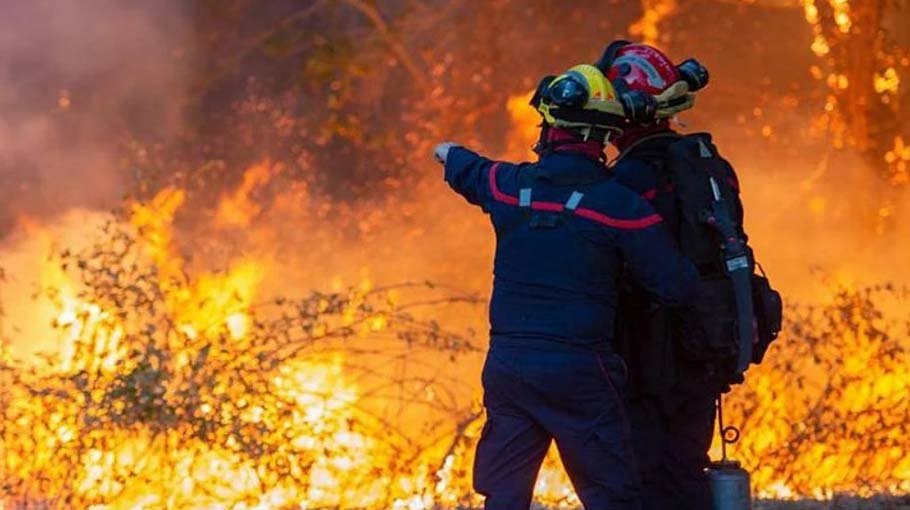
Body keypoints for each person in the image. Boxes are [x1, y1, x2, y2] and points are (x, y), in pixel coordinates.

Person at [433, 63, 701, 510]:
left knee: (503, 494)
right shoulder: (619, 205)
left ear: (550, 126)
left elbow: (467, 168)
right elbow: (677, 286)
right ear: (604, 134)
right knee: (613, 495)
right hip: (581, 373)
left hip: (509, 368)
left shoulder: (509, 187)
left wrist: (446, 151)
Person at [594, 41, 748, 510]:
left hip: (646, 354)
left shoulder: (624, 182)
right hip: (705, 347)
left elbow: (612, 267)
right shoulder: (711, 168)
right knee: (687, 468)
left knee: (646, 477)